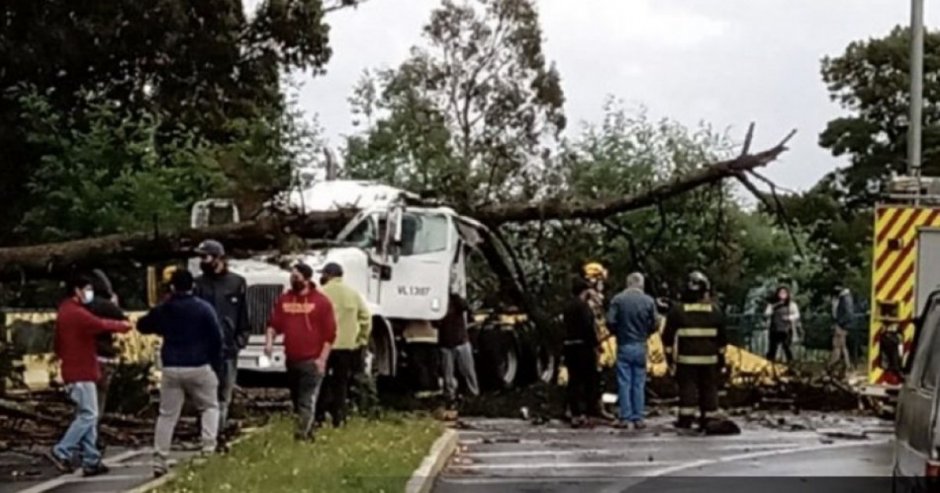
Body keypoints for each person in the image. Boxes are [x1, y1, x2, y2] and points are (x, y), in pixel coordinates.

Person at [137, 269, 223, 478]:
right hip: (199, 365)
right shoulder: (203, 308)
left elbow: (142, 325)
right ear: (193, 286)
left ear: (172, 287)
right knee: (209, 407)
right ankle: (208, 448)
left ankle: (159, 459)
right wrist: (215, 364)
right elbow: (217, 338)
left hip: (171, 366)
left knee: (167, 415)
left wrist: (161, 323)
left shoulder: (165, 309)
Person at [46, 275, 132, 477]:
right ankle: (62, 449)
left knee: (87, 414)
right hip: (81, 371)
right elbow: (100, 324)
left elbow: (58, 344)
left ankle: (91, 458)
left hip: (76, 369)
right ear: (77, 290)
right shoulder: (76, 313)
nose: (89, 293)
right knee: (89, 415)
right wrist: (124, 326)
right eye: (86, 289)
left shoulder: (65, 311)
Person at [264, 263, 336, 441]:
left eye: (296, 277)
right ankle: (308, 431)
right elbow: (274, 324)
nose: (292, 280)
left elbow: (330, 334)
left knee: (306, 399)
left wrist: (322, 360)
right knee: (297, 399)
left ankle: (301, 435)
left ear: (307, 279)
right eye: (291, 276)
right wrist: (269, 342)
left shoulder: (321, 302)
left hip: (312, 359)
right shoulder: (285, 299)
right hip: (292, 358)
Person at [193, 239, 249, 438]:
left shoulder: (237, 282)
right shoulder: (197, 284)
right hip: (203, 349)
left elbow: (242, 314)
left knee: (224, 395)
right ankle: (206, 433)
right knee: (203, 395)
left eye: (205, 257)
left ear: (218, 258)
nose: (202, 261)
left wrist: (240, 340)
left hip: (228, 348)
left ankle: (217, 434)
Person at [662, 271, 727, 431]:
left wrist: (669, 359)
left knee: (687, 388)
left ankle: (686, 419)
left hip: (686, 360)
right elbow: (722, 339)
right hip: (710, 360)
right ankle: (709, 418)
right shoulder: (715, 311)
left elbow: (667, 337)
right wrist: (721, 359)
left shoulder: (678, 311)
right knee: (709, 388)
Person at [316, 262, 372, 427]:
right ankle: (339, 418)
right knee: (341, 383)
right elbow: (366, 318)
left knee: (321, 381)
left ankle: (319, 417)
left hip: (323, 347)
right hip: (346, 346)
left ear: (327, 275)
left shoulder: (320, 293)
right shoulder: (353, 294)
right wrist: (361, 339)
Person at [606, 272, 657, 429]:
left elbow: (610, 321)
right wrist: (646, 333)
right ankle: (638, 417)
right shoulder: (649, 301)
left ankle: (625, 416)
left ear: (627, 283)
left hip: (624, 344)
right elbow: (655, 323)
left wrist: (617, 332)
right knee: (639, 382)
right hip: (641, 344)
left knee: (624, 382)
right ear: (641, 284)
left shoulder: (618, 300)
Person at [85, 270, 127, 435]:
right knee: (99, 399)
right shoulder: (105, 305)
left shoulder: (80, 304)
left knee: (84, 403)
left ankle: (84, 437)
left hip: (83, 355)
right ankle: (92, 436)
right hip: (103, 355)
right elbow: (122, 320)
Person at [563, 278, 600, 428]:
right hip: (583, 347)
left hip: (569, 346)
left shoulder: (567, 306)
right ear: (585, 291)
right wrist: (596, 344)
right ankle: (587, 413)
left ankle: (575, 413)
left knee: (573, 380)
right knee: (589, 381)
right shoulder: (583, 307)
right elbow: (588, 327)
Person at [582, 262, 616, 421]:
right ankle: (596, 406)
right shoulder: (590, 300)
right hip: (595, 343)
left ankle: (599, 405)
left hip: (600, 340)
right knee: (596, 375)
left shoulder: (595, 298)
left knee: (599, 376)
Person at [435, 292, 480, 408]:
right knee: (448, 374)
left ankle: (473, 393)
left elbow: (465, 306)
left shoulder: (456, 301)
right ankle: (450, 396)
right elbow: (435, 323)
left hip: (460, 341)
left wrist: (455, 296)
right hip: (447, 343)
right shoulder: (438, 302)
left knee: (467, 370)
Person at [764, 286, 801, 363]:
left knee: (787, 346)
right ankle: (770, 362)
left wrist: (789, 317)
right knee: (772, 348)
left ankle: (790, 362)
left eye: (784, 293)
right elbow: (766, 314)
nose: (782, 294)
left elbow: (797, 315)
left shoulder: (791, 304)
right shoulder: (772, 304)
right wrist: (774, 306)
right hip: (774, 328)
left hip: (786, 329)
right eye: (781, 293)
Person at [830, 283, 855, 372]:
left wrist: (840, 323)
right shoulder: (843, 297)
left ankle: (834, 364)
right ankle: (847, 365)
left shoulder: (844, 298)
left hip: (842, 325)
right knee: (842, 346)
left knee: (837, 345)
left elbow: (848, 314)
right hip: (842, 324)